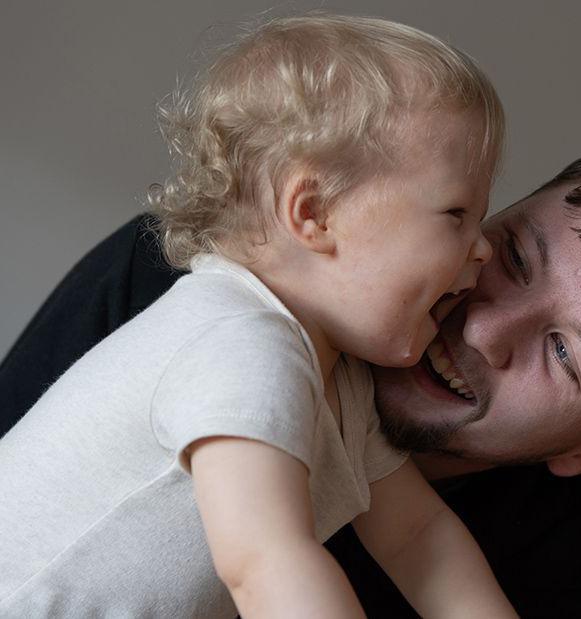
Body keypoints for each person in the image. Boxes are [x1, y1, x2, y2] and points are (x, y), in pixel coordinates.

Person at [0, 141, 581, 616]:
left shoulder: (577, 555)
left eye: (561, 354)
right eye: (511, 255)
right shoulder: (188, 277)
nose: (480, 325)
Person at [0, 14, 519, 618]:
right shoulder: (239, 341)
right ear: (316, 212)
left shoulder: (338, 379)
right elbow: (267, 561)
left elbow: (419, 539)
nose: (481, 247)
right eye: (457, 213)